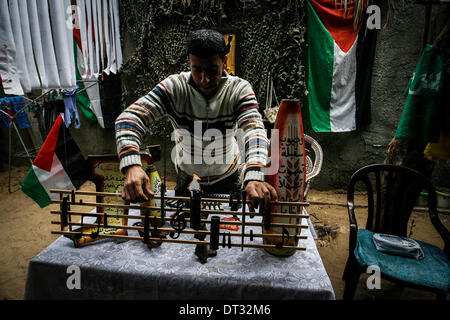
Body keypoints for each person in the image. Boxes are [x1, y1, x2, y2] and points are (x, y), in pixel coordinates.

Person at [115, 29, 277, 213]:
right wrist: (132, 164)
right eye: (197, 69)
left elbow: (254, 130)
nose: (204, 79)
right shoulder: (174, 87)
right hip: (187, 179)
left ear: (224, 62)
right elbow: (129, 118)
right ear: (189, 63)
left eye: (212, 70)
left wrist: (254, 174)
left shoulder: (239, 89)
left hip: (229, 178)